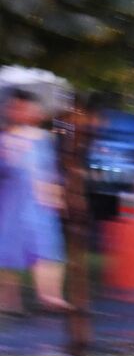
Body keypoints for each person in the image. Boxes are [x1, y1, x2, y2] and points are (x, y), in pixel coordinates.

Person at [0, 89, 68, 314]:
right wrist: (10, 154)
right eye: (14, 107)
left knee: (46, 246)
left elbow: (49, 169)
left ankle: (49, 294)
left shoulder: (43, 138)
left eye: (24, 108)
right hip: (12, 200)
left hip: (38, 200)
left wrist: (55, 195)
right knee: (8, 246)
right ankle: (8, 298)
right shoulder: (5, 138)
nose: (19, 112)